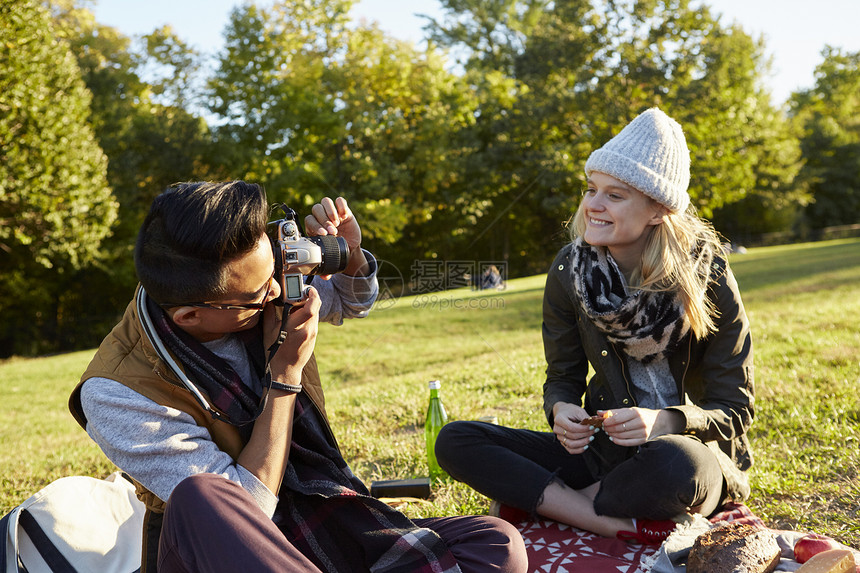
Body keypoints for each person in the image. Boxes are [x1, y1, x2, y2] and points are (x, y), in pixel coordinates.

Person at [68, 181, 527, 573]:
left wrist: (349, 258)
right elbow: (251, 511)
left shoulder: (249, 291)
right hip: (228, 554)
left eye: (277, 270)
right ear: (189, 315)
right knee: (202, 497)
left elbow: (348, 303)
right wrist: (284, 377)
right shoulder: (116, 393)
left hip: (319, 522)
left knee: (496, 542)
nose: (279, 291)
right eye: (260, 290)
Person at [435, 108, 754, 545]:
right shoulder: (570, 270)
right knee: (457, 440)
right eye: (591, 190)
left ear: (657, 210)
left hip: (691, 458)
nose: (592, 206)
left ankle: (554, 505)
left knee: (674, 465)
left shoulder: (708, 273)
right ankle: (605, 520)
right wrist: (561, 410)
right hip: (603, 457)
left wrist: (664, 421)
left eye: (614, 196)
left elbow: (735, 408)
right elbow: (562, 376)